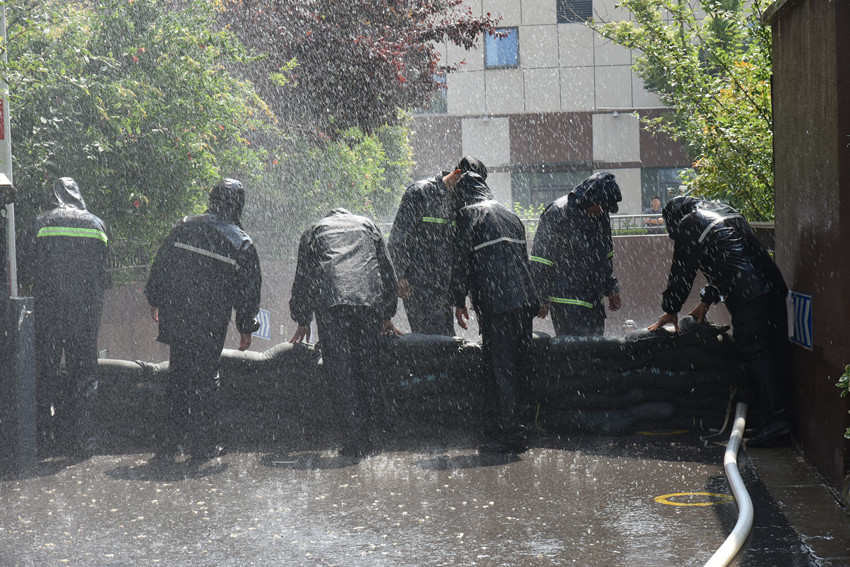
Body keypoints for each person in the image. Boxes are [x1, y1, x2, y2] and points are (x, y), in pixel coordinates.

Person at [648, 196, 790, 446]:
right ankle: (773, 419)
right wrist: (706, 300)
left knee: (754, 352)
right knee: (770, 351)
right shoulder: (723, 211)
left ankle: (776, 421)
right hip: (771, 287)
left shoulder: (690, 222)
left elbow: (682, 271)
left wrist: (671, 308)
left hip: (747, 291)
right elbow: (728, 256)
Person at [145, 178, 262, 461]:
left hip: (178, 314)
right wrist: (246, 326)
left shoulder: (184, 226)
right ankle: (203, 446)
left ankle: (170, 444)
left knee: (178, 375)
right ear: (239, 205)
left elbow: (161, 265)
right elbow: (248, 289)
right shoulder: (240, 241)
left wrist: (155, 298)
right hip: (211, 319)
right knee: (206, 378)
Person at [289, 208, 402, 459]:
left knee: (341, 372)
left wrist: (302, 318)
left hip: (332, 303)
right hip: (367, 301)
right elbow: (387, 271)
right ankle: (375, 437)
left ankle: (353, 441)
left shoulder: (314, 230)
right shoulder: (367, 226)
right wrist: (386, 314)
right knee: (369, 366)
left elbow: (303, 277)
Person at [450, 171, 540, 454]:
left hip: (498, 303)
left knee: (501, 368)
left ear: (463, 195)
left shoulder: (468, 215)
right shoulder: (510, 215)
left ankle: (508, 435)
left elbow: (461, 260)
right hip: (524, 300)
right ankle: (523, 427)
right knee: (520, 364)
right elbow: (523, 259)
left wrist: (458, 300)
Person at [17, 177, 109, 454]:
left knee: (44, 371)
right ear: (78, 196)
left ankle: (42, 440)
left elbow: (23, 268)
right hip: (85, 313)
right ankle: (84, 441)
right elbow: (104, 275)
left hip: (49, 311)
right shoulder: (97, 225)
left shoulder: (40, 223)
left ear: (54, 196)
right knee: (84, 373)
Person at [388, 156, 487, 335]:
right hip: (419, 287)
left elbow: (461, 251)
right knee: (432, 341)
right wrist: (399, 275)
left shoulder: (459, 203)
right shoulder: (421, 193)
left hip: (444, 289)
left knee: (444, 340)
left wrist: (460, 296)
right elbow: (398, 236)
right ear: (457, 174)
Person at [529, 172, 623, 336]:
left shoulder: (601, 216)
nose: (602, 211)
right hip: (566, 301)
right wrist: (541, 297)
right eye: (601, 206)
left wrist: (611, 288)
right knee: (573, 349)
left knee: (595, 348)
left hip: (594, 301)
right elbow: (541, 260)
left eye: (605, 208)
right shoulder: (557, 212)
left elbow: (606, 256)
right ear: (591, 198)